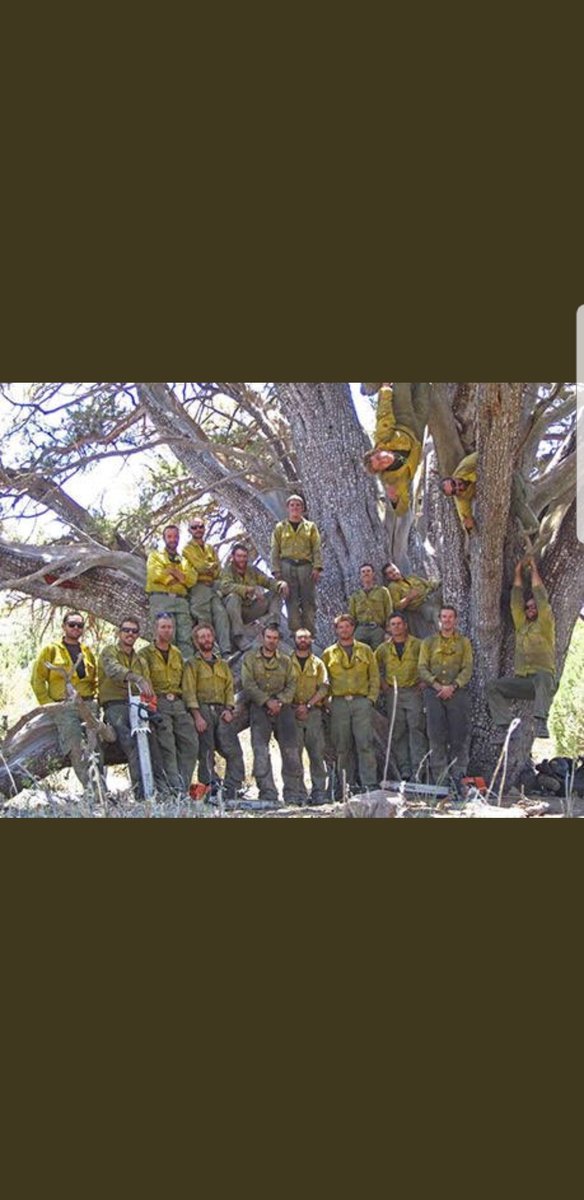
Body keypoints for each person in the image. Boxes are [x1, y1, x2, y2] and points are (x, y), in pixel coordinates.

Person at [487, 556, 556, 739]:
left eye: (534, 607)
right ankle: (506, 725)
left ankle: (541, 722)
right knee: (493, 686)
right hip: (525, 682)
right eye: (528, 607)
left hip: (544, 683)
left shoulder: (545, 625)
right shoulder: (521, 626)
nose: (531, 609)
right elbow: (516, 600)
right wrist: (518, 572)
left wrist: (533, 569)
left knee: (543, 676)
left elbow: (541, 597)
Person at [31, 610, 98, 787]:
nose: (76, 628)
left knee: (96, 747)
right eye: (72, 624)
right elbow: (37, 680)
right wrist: (49, 705)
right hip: (64, 706)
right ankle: (92, 790)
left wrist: (96, 701)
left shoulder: (87, 651)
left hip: (88, 704)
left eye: (80, 625)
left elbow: (95, 678)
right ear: (64, 626)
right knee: (75, 745)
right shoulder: (51, 650)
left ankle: (102, 789)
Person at [241, 624, 303, 806]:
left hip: (283, 709)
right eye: (269, 637)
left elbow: (292, 683)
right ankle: (267, 791)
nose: (272, 641)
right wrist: (267, 701)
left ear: (279, 640)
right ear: (262, 637)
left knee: (291, 750)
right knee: (260, 750)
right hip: (259, 707)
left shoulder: (285, 661)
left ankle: (292, 793)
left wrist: (281, 701)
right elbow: (248, 683)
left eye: (275, 638)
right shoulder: (250, 659)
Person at [137, 613, 198, 796]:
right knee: (167, 747)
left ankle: (183, 786)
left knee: (190, 744)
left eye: (170, 627)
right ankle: (174, 791)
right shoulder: (145, 654)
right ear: (155, 629)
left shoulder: (177, 653)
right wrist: (151, 707)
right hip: (159, 703)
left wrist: (189, 706)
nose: (167, 630)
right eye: (163, 627)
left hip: (178, 704)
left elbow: (184, 684)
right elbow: (144, 682)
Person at [183, 624, 245, 800]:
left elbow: (228, 689)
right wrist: (197, 716)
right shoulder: (192, 665)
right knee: (206, 751)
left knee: (233, 750)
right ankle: (210, 787)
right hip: (203, 710)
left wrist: (229, 709)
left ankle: (233, 788)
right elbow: (189, 692)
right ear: (196, 642)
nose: (206, 640)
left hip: (222, 711)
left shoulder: (222, 665)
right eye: (202, 637)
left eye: (208, 636)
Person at [322, 614, 380, 794]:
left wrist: (371, 699)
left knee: (365, 744)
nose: (344, 630)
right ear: (336, 630)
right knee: (342, 747)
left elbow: (375, 676)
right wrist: (327, 703)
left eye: (347, 626)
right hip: (338, 703)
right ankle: (345, 786)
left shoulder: (365, 650)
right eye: (340, 627)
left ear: (353, 628)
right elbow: (324, 681)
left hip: (361, 702)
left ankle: (369, 784)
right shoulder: (328, 653)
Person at [98, 618, 154, 798]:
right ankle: (140, 794)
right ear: (118, 632)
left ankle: (155, 789)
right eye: (126, 630)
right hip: (115, 703)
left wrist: (151, 704)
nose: (130, 634)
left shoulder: (140, 660)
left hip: (138, 704)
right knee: (130, 740)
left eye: (134, 631)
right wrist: (134, 677)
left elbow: (148, 684)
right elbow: (112, 670)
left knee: (150, 740)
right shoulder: (109, 651)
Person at [418, 607, 474, 789]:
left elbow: (467, 668)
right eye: (444, 617)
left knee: (459, 734)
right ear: (439, 620)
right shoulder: (429, 642)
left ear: (456, 620)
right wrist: (437, 685)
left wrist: (453, 686)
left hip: (457, 693)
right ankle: (440, 778)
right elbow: (422, 668)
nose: (447, 620)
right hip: (433, 693)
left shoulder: (464, 642)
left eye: (450, 617)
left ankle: (459, 775)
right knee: (436, 734)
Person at [362, 381, 430, 515]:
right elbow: (401, 510)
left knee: (402, 385)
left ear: (379, 451)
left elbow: (384, 415)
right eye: (381, 466)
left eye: (379, 458)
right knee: (424, 388)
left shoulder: (382, 439)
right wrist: (394, 500)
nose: (384, 461)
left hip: (402, 418)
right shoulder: (392, 479)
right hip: (417, 431)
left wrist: (386, 390)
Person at [376, 614, 428, 781]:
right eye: (393, 624)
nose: (396, 627)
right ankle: (404, 769)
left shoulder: (418, 645)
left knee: (416, 729)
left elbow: (429, 664)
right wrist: (382, 683)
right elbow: (373, 666)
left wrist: (424, 682)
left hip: (413, 692)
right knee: (398, 732)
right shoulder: (384, 648)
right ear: (389, 628)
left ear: (405, 625)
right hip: (394, 693)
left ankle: (418, 770)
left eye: (399, 624)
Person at [442, 451, 539, 536]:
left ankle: (533, 526)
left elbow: (486, 453)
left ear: (453, 477)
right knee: (507, 509)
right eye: (454, 491)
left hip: (507, 475)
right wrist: (468, 525)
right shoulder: (461, 498)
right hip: (498, 493)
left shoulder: (465, 465)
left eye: (454, 483)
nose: (458, 487)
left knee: (517, 500)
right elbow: (465, 518)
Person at [271, 495, 323, 635]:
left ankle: (309, 634)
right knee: (291, 601)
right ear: (287, 508)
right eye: (292, 505)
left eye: (298, 505)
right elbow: (275, 550)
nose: (295, 508)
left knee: (309, 601)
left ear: (303, 508)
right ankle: (296, 634)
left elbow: (316, 548)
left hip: (306, 567)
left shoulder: (310, 527)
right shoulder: (280, 527)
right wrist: (276, 571)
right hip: (287, 567)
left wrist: (317, 567)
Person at [220, 544, 288, 650]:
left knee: (275, 593)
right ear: (233, 557)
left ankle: (272, 627)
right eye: (239, 556)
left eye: (244, 556)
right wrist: (247, 589)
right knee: (233, 598)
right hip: (235, 611)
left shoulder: (251, 570)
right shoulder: (227, 570)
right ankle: (238, 637)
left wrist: (280, 585)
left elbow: (267, 581)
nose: (242, 559)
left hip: (250, 608)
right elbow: (225, 587)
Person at [145, 525, 197, 662]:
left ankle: (187, 673)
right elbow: (155, 575)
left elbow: (192, 579)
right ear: (164, 538)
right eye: (170, 536)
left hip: (181, 601)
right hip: (162, 600)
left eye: (175, 536)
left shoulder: (184, 561)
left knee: (185, 638)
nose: (173, 539)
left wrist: (173, 572)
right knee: (165, 637)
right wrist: (177, 578)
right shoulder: (155, 556)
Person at [290, 629, 329, 806]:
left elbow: (324, 687)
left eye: (306, 637)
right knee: (294, 755)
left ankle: (319, 792)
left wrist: (308, 705)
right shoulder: (286, 662)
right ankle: (298, 793)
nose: (303, 640)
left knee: (316, 754)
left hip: (313, 713)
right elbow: (282, 685)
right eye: (300, 637)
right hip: (292, 713)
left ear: (311, 639)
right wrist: (296, 706)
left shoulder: (318, 663)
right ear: (295, 640)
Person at [183, 517, 231, 657]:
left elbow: (218, 570)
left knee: (221, 614)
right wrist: (210, 566)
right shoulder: (187, 549)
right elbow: (199, 567)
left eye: (200, 526)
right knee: (203, 618)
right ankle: (209, 653)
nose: (198, 529)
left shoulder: (210, 548)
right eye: (194, 527)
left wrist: (209, 567)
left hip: (212, 586)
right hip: (198, 586)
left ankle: (226, 650)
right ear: (189, 530)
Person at [348, 564, 392, 649]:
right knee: (359, 653)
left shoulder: (383, 591)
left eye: (368, 571)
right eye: (363, 572)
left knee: (378, 654)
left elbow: (389, 611)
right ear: (360, 576)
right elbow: (351, 616)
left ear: (373, 574)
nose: (366, 573)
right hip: (361, 629)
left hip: (377, 629)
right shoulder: (355, 595)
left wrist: (389, 632)